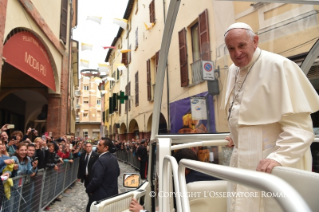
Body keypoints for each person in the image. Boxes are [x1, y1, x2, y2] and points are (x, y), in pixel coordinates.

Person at [223, 22, 319, 212]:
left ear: (255, 41)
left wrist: (279, 157)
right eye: (231, 49)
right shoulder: (232, 71)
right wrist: (236, 135)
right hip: (241, 157)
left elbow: (300, 128)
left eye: (242, 45)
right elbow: (240, 111)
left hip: (270, 158)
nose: (237, 53)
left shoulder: (280, 66)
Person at [85, 138, 120, 212]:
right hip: (112, 194)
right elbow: (117, 173)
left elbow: (96, 180)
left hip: (101, 196)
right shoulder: (113, 158)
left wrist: (88, 189)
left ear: (106, 147)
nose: (97, 146)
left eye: (100, 145)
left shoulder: (101, 160)